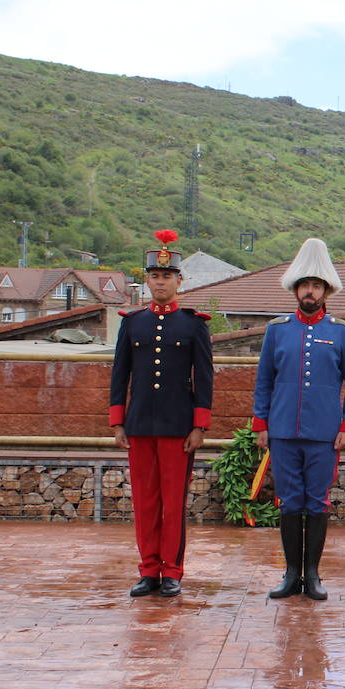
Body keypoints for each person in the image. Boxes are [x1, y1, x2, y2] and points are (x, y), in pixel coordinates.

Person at [254, 238, 345, 602]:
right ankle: (290, 574)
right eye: (305, 285)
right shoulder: (277, 330)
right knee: (289, 502)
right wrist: (262, 425)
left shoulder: (342, 332)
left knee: (316, 502)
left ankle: (313, 574)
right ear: (296, 289)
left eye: (316, 286)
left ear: (326, 290)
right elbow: (264, 380)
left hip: (323, 434)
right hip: (284, 431)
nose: (310, 291)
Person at [110, 229, 214, 599]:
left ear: (178, 280)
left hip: (177, 427)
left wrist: (199, 425)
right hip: (139, 425)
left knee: (173, 502)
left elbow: (203, 378)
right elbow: (119, 373)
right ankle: (148, 570)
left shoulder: (193, 324)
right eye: (154, 275)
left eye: (167, 276)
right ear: (147, 279)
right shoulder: (132, 322)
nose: (160, 282)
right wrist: (118, 421)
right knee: (145, 501)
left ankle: (172, 570)